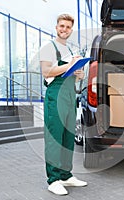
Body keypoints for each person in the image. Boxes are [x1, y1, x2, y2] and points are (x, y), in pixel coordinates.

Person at [39, 14, 87, 196]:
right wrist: (69, 66)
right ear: (56, 27)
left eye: (68, 27)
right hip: (55, 96)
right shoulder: (48, 47)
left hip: (69, 96)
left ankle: (66, 175)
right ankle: (53, 179)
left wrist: (79, 73)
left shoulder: (70, 50)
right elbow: (46, 71)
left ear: (71, 30)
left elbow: (72, 74)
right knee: (54, 138)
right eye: (61, 26)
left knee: (68, 137)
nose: (64, 29)